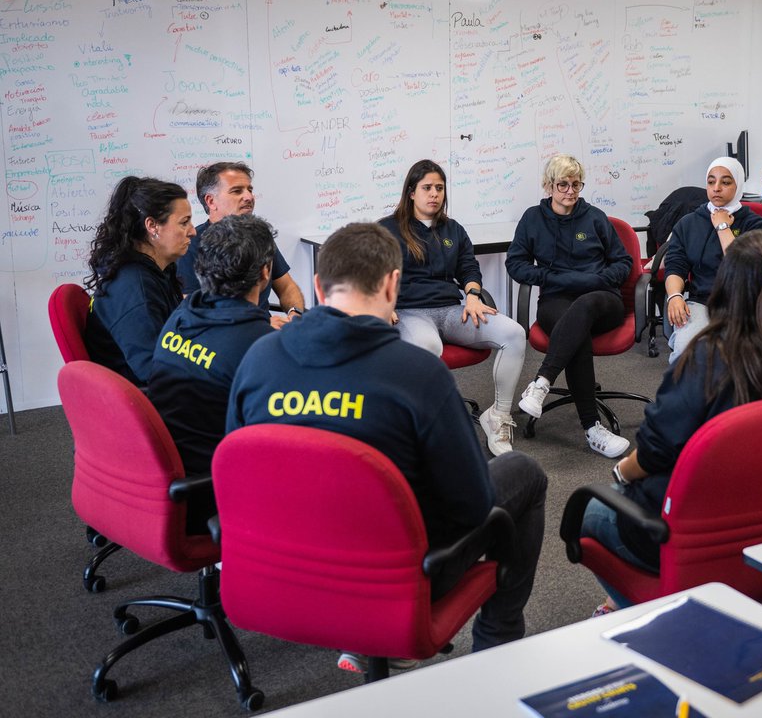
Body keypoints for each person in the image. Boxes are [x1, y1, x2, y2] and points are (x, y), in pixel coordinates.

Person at [226, 222, 546, 668]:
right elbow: (473, 505)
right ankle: (497, 643)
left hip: (284, 562)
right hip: (395, 575)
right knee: (525, 475)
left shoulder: (259, 358)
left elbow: (237, 472)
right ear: (394, 284)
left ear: (318, 285)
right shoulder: (417, 375)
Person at [582, 231, 762, 613]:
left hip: (699, 537)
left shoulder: (706, 358)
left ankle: (644, 612)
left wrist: (621, 473)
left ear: (725, 287)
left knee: (590, 509)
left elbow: (654, 452)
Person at [380, 160, 526, 456]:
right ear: (411, 192)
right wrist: (382, 302)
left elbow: (469, 268)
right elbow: (372, 270)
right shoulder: (388, 229)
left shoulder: (453, 230)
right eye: (427, 188)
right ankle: (429, 426)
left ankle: (497, 417)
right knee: (427, 346)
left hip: (452, 310)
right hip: (410, 311)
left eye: (439, 188)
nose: (434, 194)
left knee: (514, 333)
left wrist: (473, 295)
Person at [148, 214, 275, 533]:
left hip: (165, 476)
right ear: (264, 273)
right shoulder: (258, 347)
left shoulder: (182, 315)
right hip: (212, 494)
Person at [506, 153, 633, 458]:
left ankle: (542, 381)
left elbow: (623, 262)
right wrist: (551, 277)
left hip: (602, 300)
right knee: (577, 335)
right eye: (563, 184)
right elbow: (516, 264)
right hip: (556, 301)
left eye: (576, 184)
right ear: (549, 186)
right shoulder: (533, 219)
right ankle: (593, 430)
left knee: (585, 307)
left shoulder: (595, 217)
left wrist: (596, 279)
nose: (571, 191)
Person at [84, 176, 195, 387]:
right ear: (152, 226)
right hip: (148, 400)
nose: (193, 231)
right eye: (184, 222)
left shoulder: (155, 271)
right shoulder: (136, 289)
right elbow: (155, 372)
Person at [662, 156, 762, 363]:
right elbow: (675, 265)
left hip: (744, 304)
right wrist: (674, 295)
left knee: (736, 354)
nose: (716, 188)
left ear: (738, 186)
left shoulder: (755, 224)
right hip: (701, 302)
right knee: (686, 350)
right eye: (711, 182)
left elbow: (743, 266)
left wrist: (723, 227)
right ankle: (685, 395)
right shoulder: (689, 222)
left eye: (726, 182)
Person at [178, 162, 304, 328]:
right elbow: (194, 310)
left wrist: (294, 314)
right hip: (224, 335)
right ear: (210, 201)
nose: (249, 197)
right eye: (237, 191)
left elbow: (287, 286)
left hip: (265, 330)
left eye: (249, 190)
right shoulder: (191, 244)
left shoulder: (259, 236)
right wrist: (261, 324)